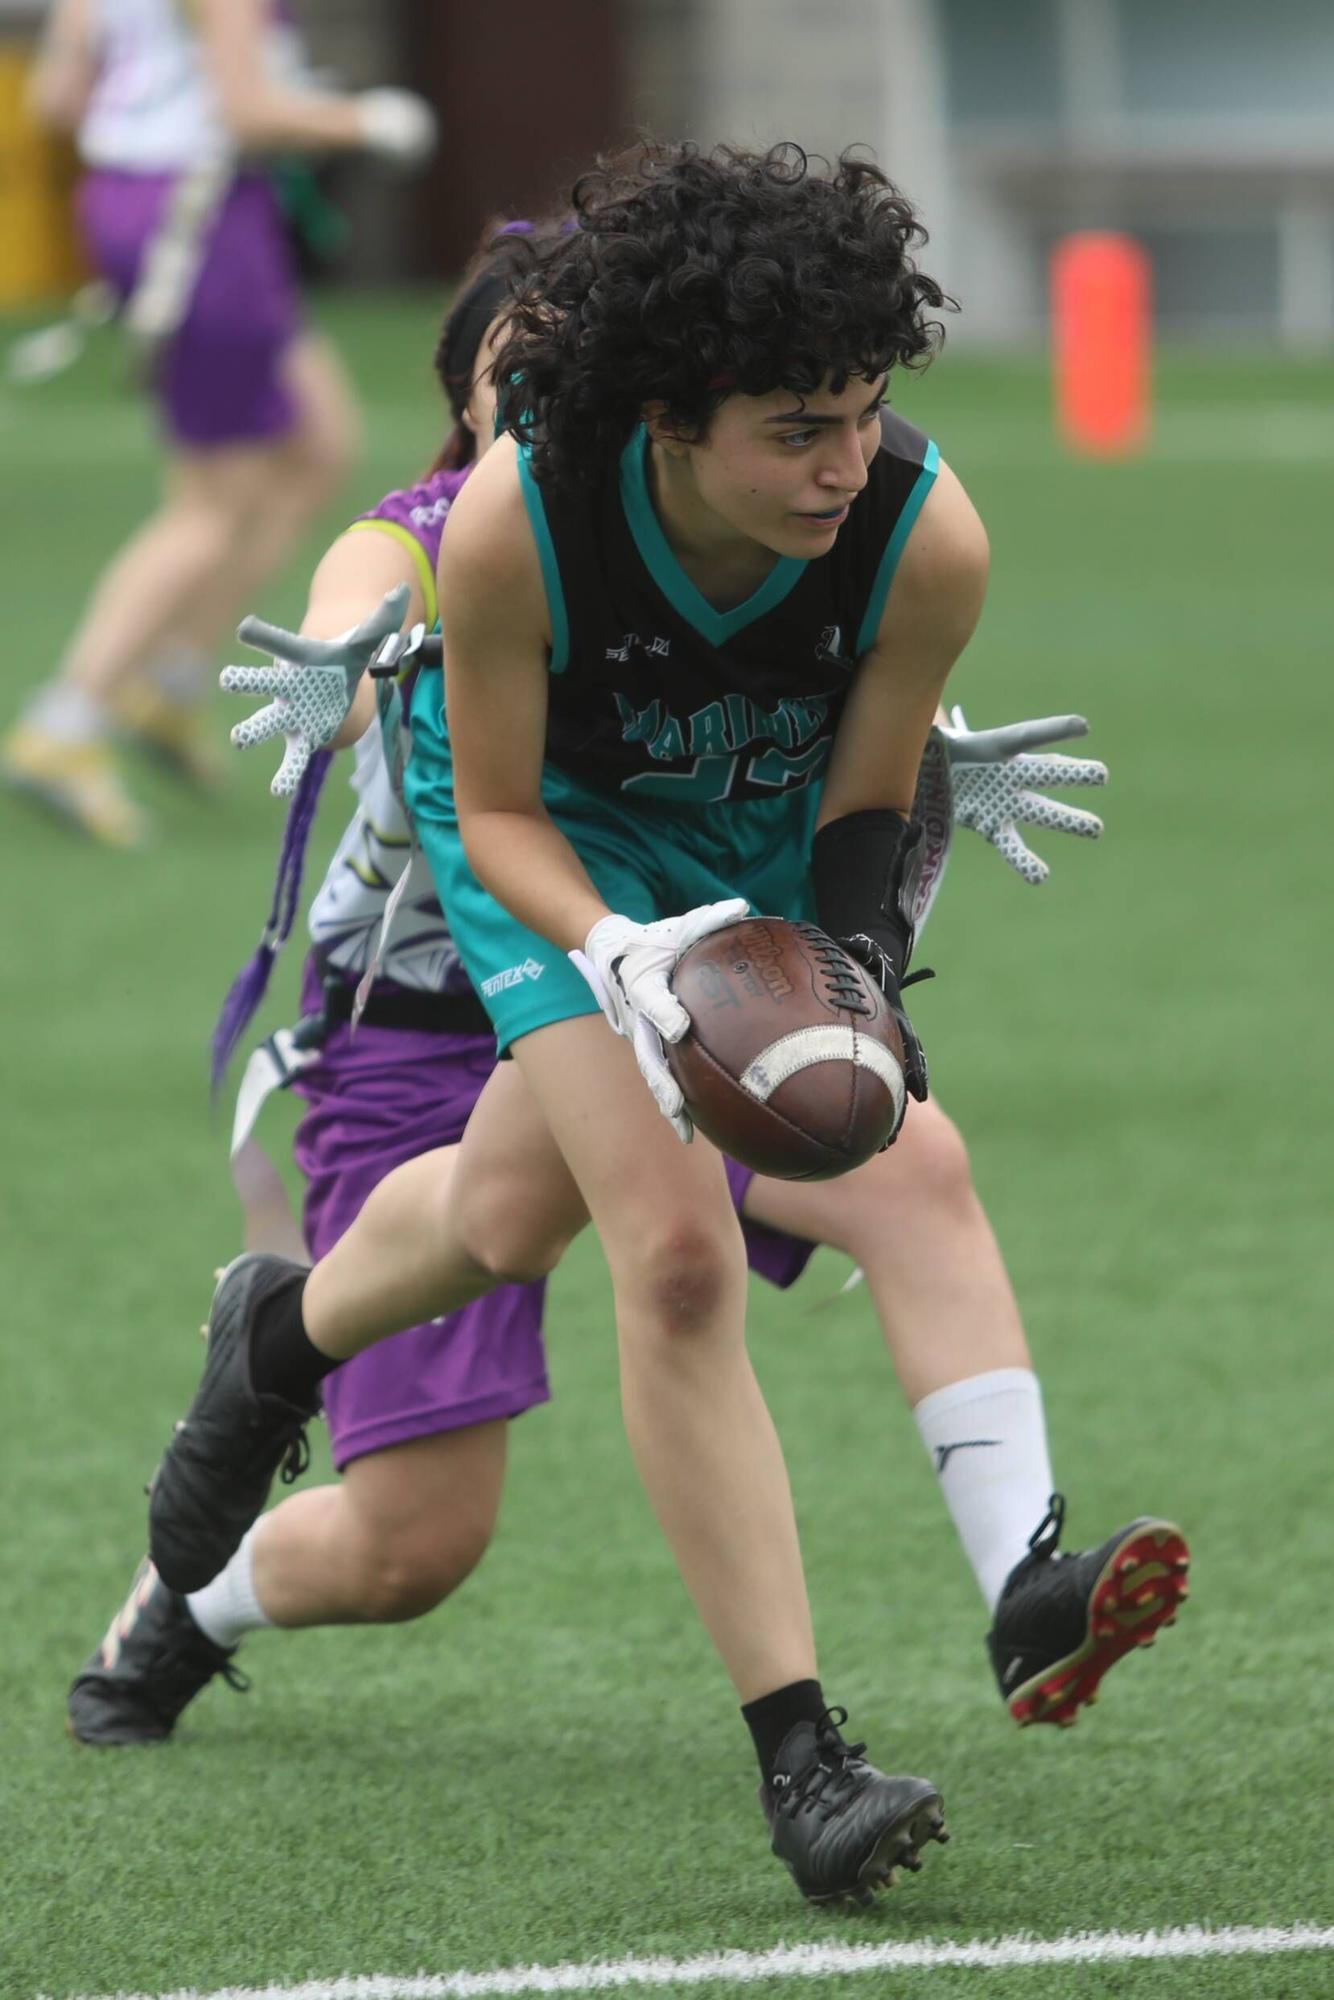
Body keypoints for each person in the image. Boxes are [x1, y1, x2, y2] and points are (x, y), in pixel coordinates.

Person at [139, 147, 1189, 1905]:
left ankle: (281, 1336)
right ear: (667, 417)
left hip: (747, 872)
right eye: (794, 427)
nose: (840, 463)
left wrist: (856, 980)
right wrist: (617, 955)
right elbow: (494, 818)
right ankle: (804, 1760)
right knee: (675, 1257)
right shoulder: (509, 519)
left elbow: (853, 818)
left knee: (523, 1213)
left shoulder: (921, 533)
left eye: (861, 413)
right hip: (559, 870)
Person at [0, 0, 437, 846]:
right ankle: (65, 723)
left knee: (320, 445)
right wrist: (366, 119)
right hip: (198, 214)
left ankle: (168, 683)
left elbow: (59, 98)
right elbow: (246, 110)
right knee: (210, 502)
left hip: (155, 202)